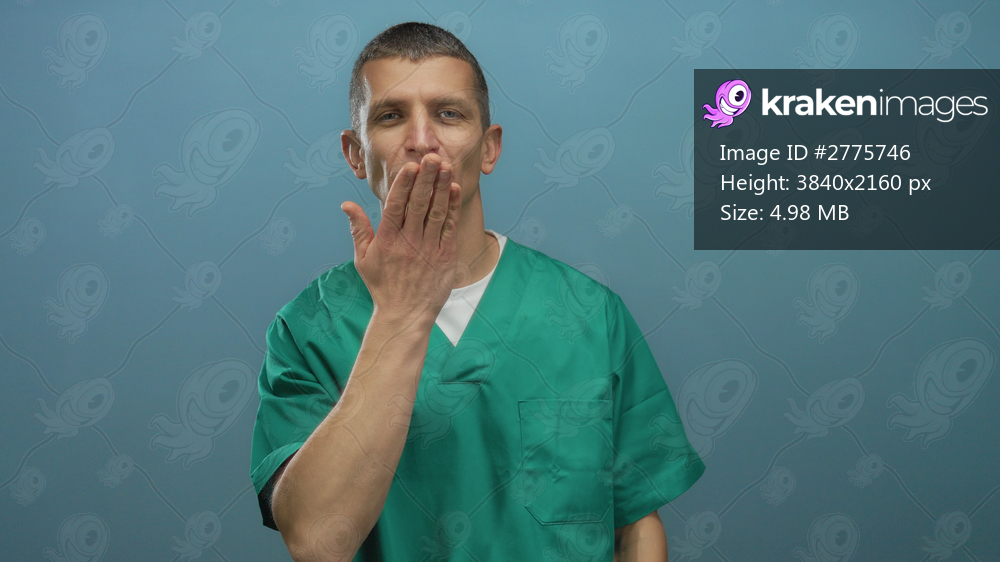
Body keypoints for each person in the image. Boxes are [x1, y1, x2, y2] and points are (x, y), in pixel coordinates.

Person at [249, 21, 705, 562]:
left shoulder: (588, 314)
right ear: (355, 153)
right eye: (391, 116)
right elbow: (317, 541)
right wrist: (401, 313)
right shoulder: (307, 330)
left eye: (449, 114)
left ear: (490, 149)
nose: (422, 140)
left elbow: (634, 526)